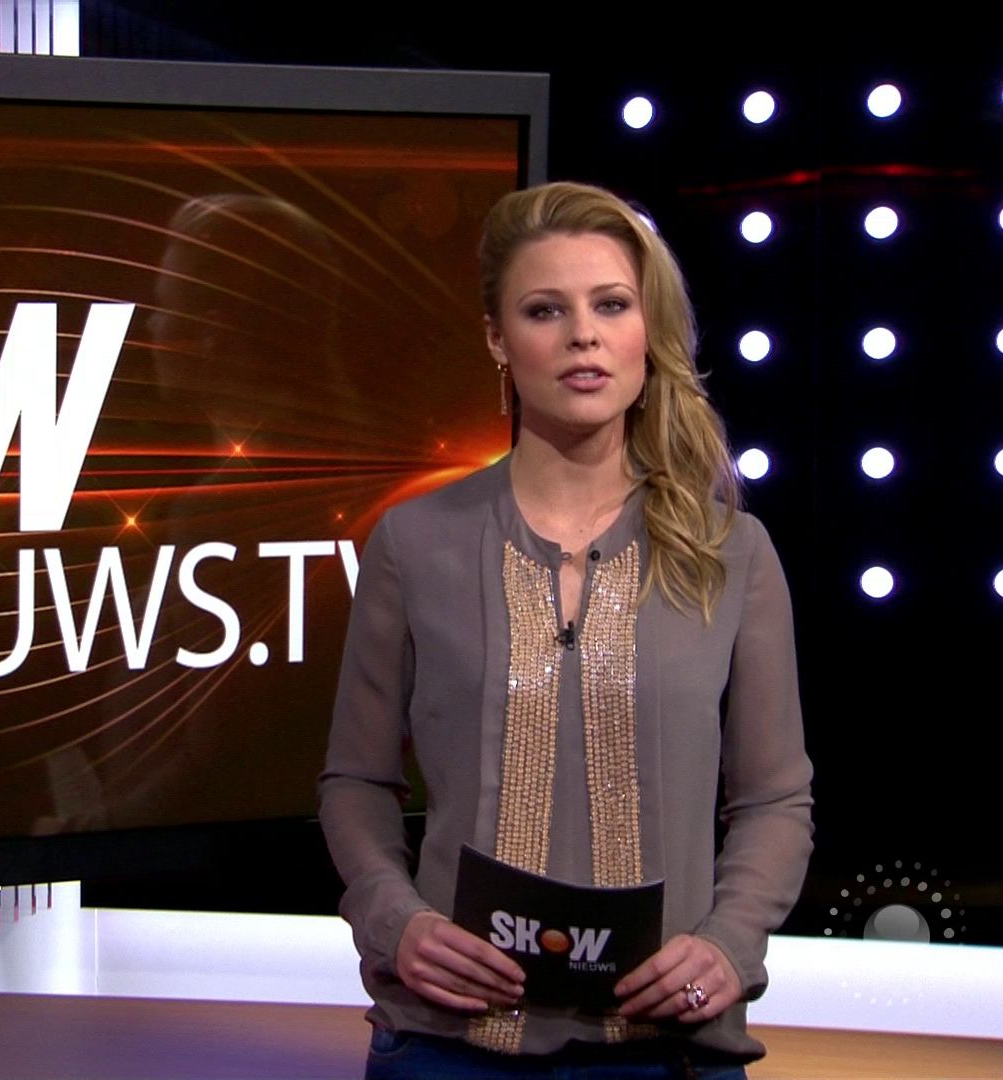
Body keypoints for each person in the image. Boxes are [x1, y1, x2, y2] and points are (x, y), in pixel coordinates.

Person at [319, 181, 814, 1079]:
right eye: (545, 310)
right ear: (498, 340)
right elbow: (356, 780)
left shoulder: (733, 552)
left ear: (645, 331)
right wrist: (398, 923)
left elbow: (774, 800)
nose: (583, 335)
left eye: (611, 305)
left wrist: (730, 944)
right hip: (451, 1041)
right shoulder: (414, 541)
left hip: (667, 1044)